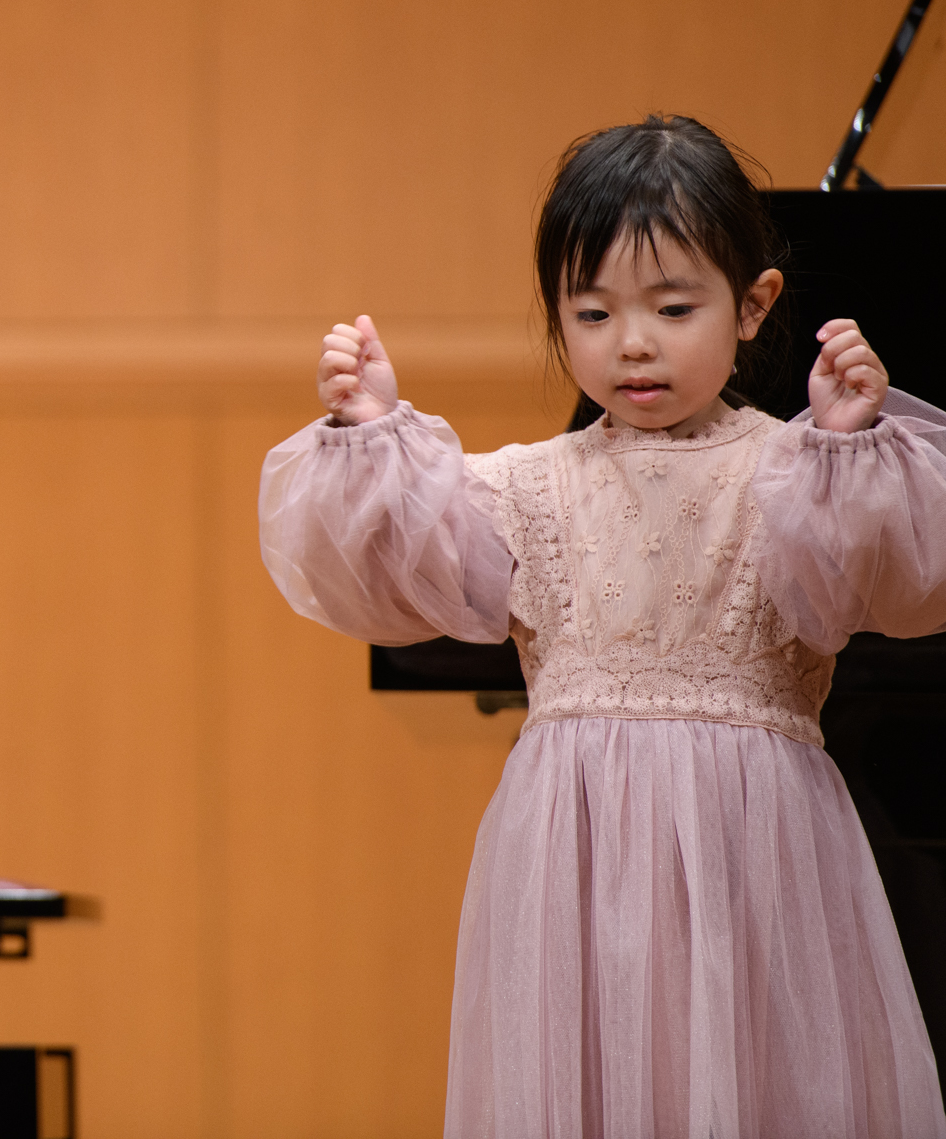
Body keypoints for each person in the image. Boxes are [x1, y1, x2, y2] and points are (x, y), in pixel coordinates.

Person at [258, 115, 946, 1137]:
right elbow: (390, 564)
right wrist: (371, 434)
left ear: (752, 303)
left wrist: (848, 450)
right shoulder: (526, 485)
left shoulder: (792, 474)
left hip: (756, 851)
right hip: (568, 856)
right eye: (590, 311)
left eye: (672, 306)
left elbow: (897, 584)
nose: (631, 341)